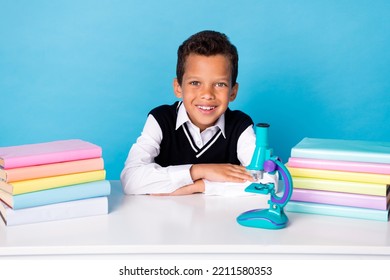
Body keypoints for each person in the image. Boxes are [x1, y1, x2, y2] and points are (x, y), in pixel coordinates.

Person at [120, 30, 276, 196]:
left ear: (233, 92)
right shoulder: (161, 119)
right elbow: (131, 179)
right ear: (178, 87)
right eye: (195, 82)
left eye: (220, 84)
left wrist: (199, 186)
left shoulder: (240, 125)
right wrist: (199, 171)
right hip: (164, 217)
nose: (207, 94)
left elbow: (267, 182)